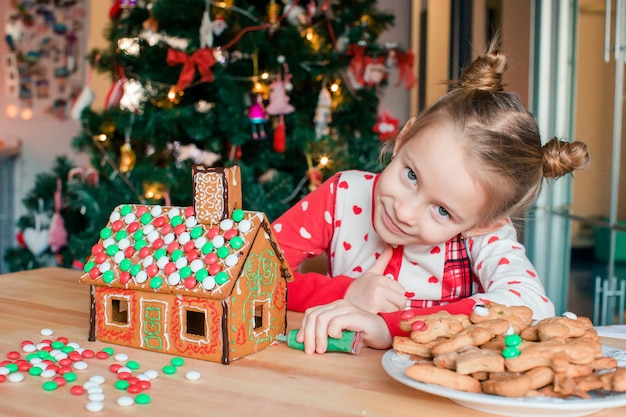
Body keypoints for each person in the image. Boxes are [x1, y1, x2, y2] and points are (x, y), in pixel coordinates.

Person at [271, 44, 590, 354]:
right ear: (404, 139)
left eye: (441, 210)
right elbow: (249, 272)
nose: (405, 211)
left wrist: (389, 327)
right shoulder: (342, 195)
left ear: (481, 224)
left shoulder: (484, 237)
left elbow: (530, 305)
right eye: (411, 175)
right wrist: (345, 292)